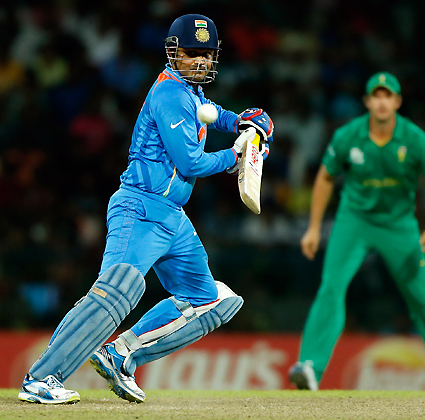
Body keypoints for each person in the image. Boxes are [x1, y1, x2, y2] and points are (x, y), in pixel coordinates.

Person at [17, 14, 273, 404]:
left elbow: (211, 112)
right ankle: (41, 379)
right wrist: (236, 154)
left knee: (212, 301)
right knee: (117, 290)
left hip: (173, 217)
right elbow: (190, 164)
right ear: (173, 52)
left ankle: (121, 354)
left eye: (207, 54)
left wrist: (241, 121)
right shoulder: (170, 94)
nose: (200, 62)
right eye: (191, 53)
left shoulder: (191, 92)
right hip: (140, 207)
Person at [288, 72, 425, 392]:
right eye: (377, 96)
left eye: (389, 96)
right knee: (331, 288)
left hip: (399, 224)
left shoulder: (414, 138)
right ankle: (311, 366)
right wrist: (314, 228)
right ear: (368, 102)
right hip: (354, 220)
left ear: (397, 102)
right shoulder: (348, 136)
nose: (382, 102)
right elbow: (325, 178)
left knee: (423, 296)